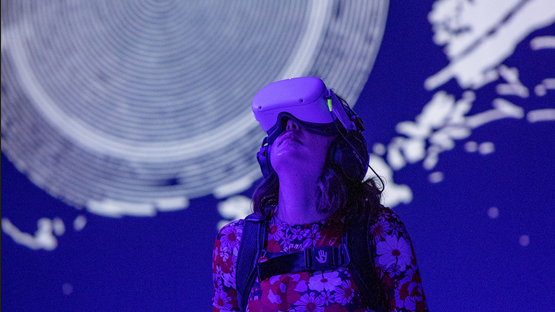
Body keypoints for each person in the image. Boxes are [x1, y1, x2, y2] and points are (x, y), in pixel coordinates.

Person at [212, 77, 427, 311]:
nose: (289, 126)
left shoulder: (379, 231)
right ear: (267, 153)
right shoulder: (234, 243)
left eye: (308, 119)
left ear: (343, 149)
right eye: (279, 123)